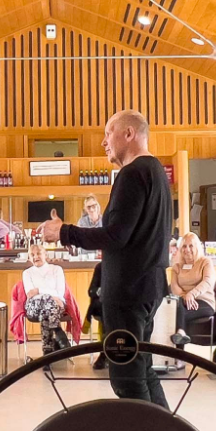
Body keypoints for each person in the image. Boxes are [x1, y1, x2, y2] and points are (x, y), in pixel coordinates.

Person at [38, 110, 173, 408]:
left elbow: (115, 236)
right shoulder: (157, 173)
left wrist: (65, 231)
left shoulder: (133, 173)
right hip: (148, 287)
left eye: (109, 132)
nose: (103, 142)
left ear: (129, 134)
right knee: (142, 369)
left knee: (127, 377)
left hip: (128, 292)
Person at [18, 242, 72, 353]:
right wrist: (51, 295)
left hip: (55, 307)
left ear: (45, 255)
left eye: (38, 253)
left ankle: (47, 350)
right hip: (34, 307)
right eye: (32, 255)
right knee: (47, 303)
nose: (36, 257)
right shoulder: (27, 273)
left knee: (45, 312)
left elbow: (60, 293)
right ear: (29, 258)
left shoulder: (57, 269)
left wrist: (38, 290)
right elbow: (31, 294)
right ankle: (57, 330)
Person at [169, 232, 216, 341]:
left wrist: (192, 294)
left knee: (175, 315)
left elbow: (208, 281)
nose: (187, 249)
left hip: (204, 301)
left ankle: (180, 337)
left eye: (191, 246)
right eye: (184, 246)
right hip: (182, 302)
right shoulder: (176, 267)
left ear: (197, 247)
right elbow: (174, 287)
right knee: (177, 306)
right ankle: (180, 337)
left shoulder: (205, 262)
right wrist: (185, 296)